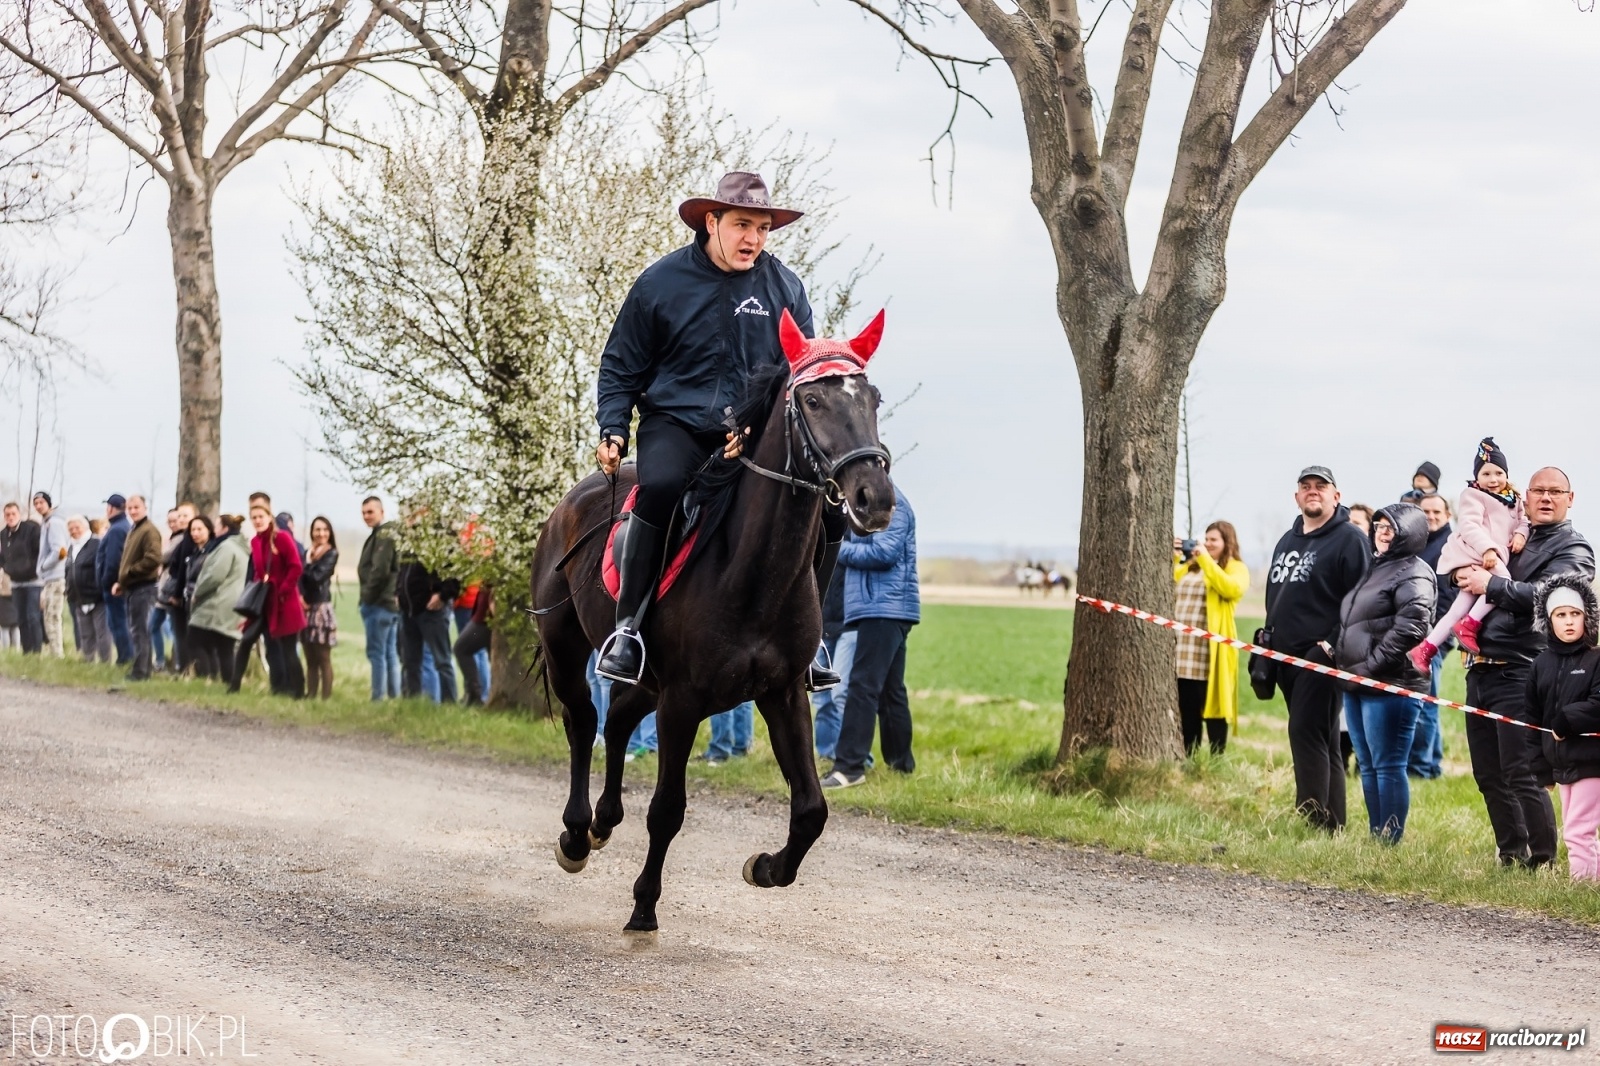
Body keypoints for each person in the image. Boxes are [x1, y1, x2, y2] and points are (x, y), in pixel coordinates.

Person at [592, 171, 842, 690]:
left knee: (827, 511)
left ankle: (810, 638)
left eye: (764, 227)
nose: (754, 238)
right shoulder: (660, 283)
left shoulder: (785, 287)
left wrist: (752, 429)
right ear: (713, 221)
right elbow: (620, 365)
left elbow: (799, 373)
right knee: (658, 489)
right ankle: (629, 630)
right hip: (675, 425)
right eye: (743, 224)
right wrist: (614, 427)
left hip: (753, 433)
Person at [1454, 466, 1592, 868]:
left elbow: (1555, 596)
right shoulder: (1509, 532)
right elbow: (1467, 560)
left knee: (1523, 771)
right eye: (1538, 491)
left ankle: (1543, 860)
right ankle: (1511, 855)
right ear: (1525, 496)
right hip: (1479, 667)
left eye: (1555, 492)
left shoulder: (1574, 547)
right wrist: (1459, 577)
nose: (1546, 498)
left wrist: (1491, 585)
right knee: (1488, 774)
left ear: (1570, 498)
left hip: (1522, 670)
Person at [1263, 466, 1370, 831]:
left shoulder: (1349, 539)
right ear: (1297, 497)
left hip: (1320, 656)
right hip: (1283, 657)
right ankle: (1332, 823)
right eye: (1305, 487)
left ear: (1336, 496)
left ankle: (1309, 819)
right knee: (1323, 739)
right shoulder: (1286, 540)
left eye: (1321, 487)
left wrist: (1330, 644)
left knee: (1305, 733)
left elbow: (1360, 601)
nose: (1313, 492)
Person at [1334, 504, 1435, 843]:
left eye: (1391, 528)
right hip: (1357, 681)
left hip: (1392, 684)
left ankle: (1390, 839)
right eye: (1378, 526)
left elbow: (1411, 628)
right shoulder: (1376, 567)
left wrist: (1369, 666)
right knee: (1367, 763)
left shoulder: (1415, 573)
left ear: (1411, 533)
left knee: (1388, 765)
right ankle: (1377, 836)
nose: (1382, 532)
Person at [822, 485, 919, 790]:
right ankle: (901, 765)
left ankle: (849, 767)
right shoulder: (868, 506)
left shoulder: (892, 504)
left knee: (862, 686)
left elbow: (884, 552)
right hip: (880, 607)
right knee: (891, 692)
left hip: (884, 607)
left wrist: (836, 546)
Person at [1409, 438, 1528, 668]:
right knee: (1502, 582)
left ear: (1506, 474)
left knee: (1457, 609)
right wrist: (1488, 548)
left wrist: (1521, 534)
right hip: (1476, 552)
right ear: (1477, 477)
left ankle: (1425, 648)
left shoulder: (1514, 499)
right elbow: (1469, 526)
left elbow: (1524, 521)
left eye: (1498, 473)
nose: (1493, 479)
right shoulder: (1472, 495)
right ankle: (1471, 624)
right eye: (1486, 474)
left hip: (1494, 555)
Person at [1529, 575, 1600, 880]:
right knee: (1577, 827)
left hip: (1591, 760)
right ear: (1549, 620)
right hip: (1560, 762)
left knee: (1577, 831)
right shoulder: (1540, 664)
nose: (1569, 621)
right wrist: (1541, 768)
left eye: (1575, 614)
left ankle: (1582, 887)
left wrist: (1569, 719)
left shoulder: (1596, 659)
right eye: (1561, 615)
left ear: (1588, 618)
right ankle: (1592, 882)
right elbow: (1532, 721)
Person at [1172, 521, 1250, 755]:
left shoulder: (1235, 568)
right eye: (1205, 539)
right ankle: (1189, 759)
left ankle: (1216, 760)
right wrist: (1177, 558)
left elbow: (1230, 589)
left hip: (1210, 652)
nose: (1207, 543)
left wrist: (1205, 559)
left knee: (1215, 708)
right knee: (1186, 709)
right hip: (1183, 651)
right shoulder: (1192, 566)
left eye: (1214, 540)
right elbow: (1170, 582)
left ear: (1228, 542)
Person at [232, 502, 307, 697]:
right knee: (248, 640)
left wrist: (283, 590)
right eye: (254, 517)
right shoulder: (256, 542)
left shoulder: (281, 538)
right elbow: (258, 572)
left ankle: (298, 692)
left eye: (260, 517)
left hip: (284, 602)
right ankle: (234, 686)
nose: (257, 521)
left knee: (289, 650)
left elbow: (295, 566)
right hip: (264, 602)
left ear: (269, 517)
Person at [1408, 492, 1456, 778]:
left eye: (1437, 511)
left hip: (1432, 637)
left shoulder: (1449, 545)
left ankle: (1421, 767)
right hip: (1418, 635)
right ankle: (1432, 763)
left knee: (1424, 702)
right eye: (1426, 512)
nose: (1432, 516)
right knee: (1426, 699)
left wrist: (1431, 636)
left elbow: (1449, 598)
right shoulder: (1422, 543)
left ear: (1448, 515)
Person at [398, 524, 458, 703]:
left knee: (442, 661)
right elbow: (402, 571)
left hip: (432, 610)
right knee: (410, 661)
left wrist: (443, 595)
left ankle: (449, 705)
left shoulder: (442, 533)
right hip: (408, 609)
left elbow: (454, 571)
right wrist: (398, 592)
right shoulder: (407, 539)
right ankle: (413, 703)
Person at [188, 514, 248, 685]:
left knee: (194, 639)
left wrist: (198, 592)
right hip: (233, 604)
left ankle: (205, 679)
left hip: (217, 603)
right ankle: (229, 683)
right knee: (224, 647)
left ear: (225, 529)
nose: (214, 530)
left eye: (216, 526)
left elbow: (215, 575)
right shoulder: (240, 547)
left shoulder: (226, 548)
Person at [112, 495, 164, 681]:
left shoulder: (149, 531)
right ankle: (142, 669)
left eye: (136, 507)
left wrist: (131, 573)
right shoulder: (134, 530)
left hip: (144, 587)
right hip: (132, 587)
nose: (133, 511)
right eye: (130, 508)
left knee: (140, 630)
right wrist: (122, 581)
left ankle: (141, 672)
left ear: (145, 508)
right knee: (137, 630)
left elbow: (154, 558)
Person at [356, 496, 402, 701]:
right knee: (389, 653)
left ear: (382, 512)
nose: (366, 516)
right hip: (390, 604)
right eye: (364, 512)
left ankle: (378, 698)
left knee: (377, 654)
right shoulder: (384, 534)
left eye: (370, 512)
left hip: (379, 604)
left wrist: (367, 597)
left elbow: (380, 570)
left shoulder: (384, 535)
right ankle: (393, 696)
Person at [810, 561, 853, 760]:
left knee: (842, 695)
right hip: (821, 626)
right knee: (821, 697)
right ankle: (827, 753)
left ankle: (850, 755)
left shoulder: (851, 536)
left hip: (848, 624)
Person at [300, 516, 339, 700]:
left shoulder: (331, 554)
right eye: (317, 529)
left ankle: (326, 698)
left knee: (323, 656)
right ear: (312, 532)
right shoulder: (307, 553)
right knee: (310, 657)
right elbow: (298, 579)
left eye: (325, 529)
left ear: (329, 533)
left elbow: (317, 577)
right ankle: (311, 694)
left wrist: (306, 566)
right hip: (305, 608)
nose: (321, 533)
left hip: (321, 608)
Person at [64, 514, 111, 662]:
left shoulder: (96, 543)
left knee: (102, 633)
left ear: (85, 527)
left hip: (96, 597)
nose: (74, 531)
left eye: (77, 527)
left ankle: (105, 664)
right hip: (79, 598)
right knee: (85, 634)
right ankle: (88, 664)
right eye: (70, 528)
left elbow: (103, 567)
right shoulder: (72, 547)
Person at [2, 501, 44, 653]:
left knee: (33, 616)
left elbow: (38, 551)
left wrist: (31, 568)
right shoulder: (3, 535)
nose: (10, 517)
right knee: (21, 618)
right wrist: (7, 568)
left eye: (13, 514)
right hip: (15, 582)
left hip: (33, 581)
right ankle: (27, 651)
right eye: (7, 514)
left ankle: (37, 651)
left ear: (19, 514)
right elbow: (3, 557)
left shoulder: (31, 529)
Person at [96, 495, 134, 663]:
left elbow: (113, 560)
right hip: (117, 585)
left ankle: (125, 658)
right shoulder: (123, 526)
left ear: (111, 508)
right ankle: (126, 657)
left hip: (113, 587)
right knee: (119, 623)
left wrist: (106, 581)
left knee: (118, 624)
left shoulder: (117, 529)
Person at [32, 492, 68, 657]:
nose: (38, 506)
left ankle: (58, 655)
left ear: (48, 503)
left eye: (41, 502)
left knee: (52, 617)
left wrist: (43, 566)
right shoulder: (46, 522)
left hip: (55, 577)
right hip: (49, 578)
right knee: (48, 617)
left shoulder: (53, 523)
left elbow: (60, 550)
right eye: (36, 503)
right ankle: (55, 653)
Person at [452, 584, 492, 705]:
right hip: (479, 614)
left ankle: (476, 694)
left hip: (484, 619)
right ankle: (476, 693)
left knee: (462, 649)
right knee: (465, 650)